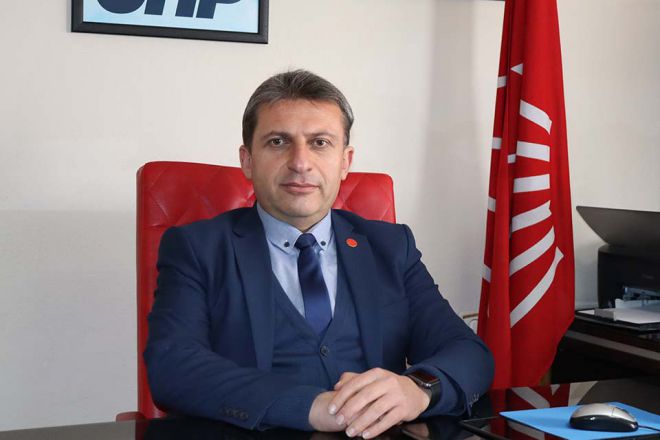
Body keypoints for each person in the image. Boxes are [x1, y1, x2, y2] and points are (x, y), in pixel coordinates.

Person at [144, 69, 494, 438]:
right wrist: (309, 407)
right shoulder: (197, 249)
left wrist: (417, 389)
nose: (300, 162)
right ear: (247, 160)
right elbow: (173, 367)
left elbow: (468, 352)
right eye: (278, 141)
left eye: (320, 143)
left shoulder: (391, 247)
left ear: (345, 161)